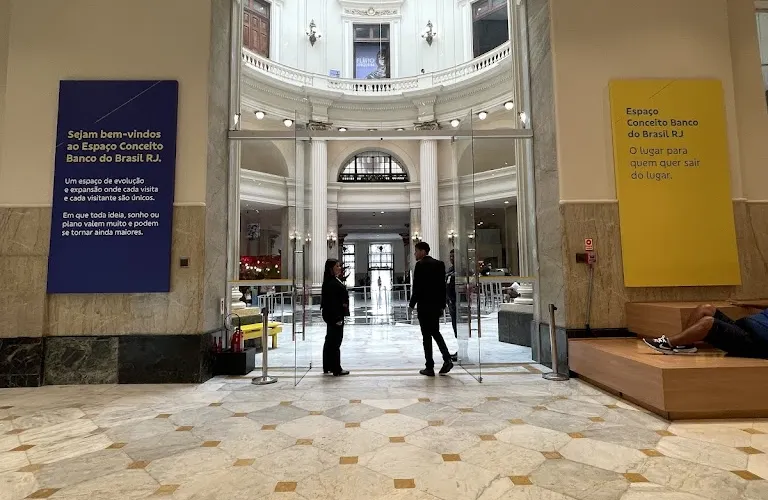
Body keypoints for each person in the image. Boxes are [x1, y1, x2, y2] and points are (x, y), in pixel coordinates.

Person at [643, 300, 768, 358]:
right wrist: (746, 303)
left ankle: (668, 343)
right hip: (745, 326)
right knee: (705, 308)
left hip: (755, 342)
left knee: (708, 322)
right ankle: (685, 345)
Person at [409, 242, 453, 376]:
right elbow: (442, 287)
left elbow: (417, 287)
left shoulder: (420, 265)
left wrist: (411, 305)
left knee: (426, 336)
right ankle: (447, 359)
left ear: (423, 251)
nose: (415, 254)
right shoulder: (440, 264)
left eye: (416, 251)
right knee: (435, 332)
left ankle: (429, 366)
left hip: (424, 306)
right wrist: (442, 305)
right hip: (435, 306)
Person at [321, 259, 350, 376]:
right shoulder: (331, 283)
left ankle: (328, 366)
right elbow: (332, 303)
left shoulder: (332, 280)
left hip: (334, 315)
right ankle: (336, 368)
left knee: (330, 340)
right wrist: (337, 318)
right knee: (335, 342)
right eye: (337, 266)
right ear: (331, 268)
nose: (339, 268)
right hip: (335, 316)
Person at [445, 249, 458, 362]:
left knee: (459, 328)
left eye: (454, 256)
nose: (451, 258)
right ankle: (460, 350)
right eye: (450, 256)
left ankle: (462, 350)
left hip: (458, 302)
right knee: (454, 326)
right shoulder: (450, 270)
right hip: (451, 302)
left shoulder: (461, 271)